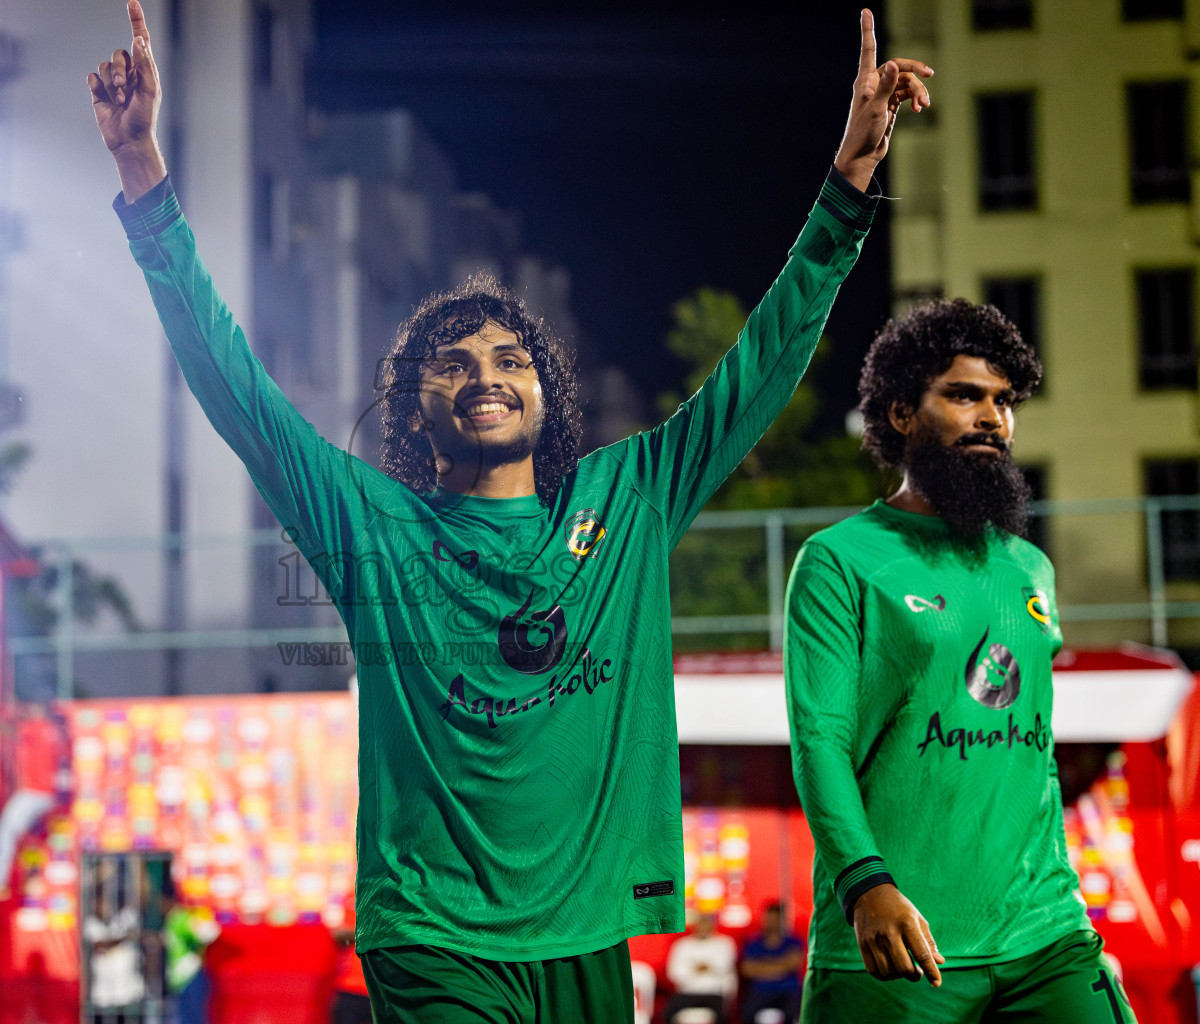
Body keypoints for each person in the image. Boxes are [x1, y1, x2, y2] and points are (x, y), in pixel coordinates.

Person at [87, 5, 929, 1020]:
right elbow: (237, 389)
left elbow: (758, 369)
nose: (483, 373)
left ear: (548, 397)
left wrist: (845, 190)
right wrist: (144, 176)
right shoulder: (370, 525)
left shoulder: (630, 498)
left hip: (583, 934)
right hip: (432, 933)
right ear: (417, 409)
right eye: (452, 362)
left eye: (508, 358)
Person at [784, 299, 1138, 1022]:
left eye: (1002, 401)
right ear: (901, 414)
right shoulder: (840, 561)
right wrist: (863, 884)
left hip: (1045, 933)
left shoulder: (1029, 568)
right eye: (963, 395)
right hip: (900, 937)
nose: (992, 418)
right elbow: (820, 742)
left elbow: (1031, 751)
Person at [0, 701, 69, 900]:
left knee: (5, 830)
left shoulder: (37, 727)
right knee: (18, 836)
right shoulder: (54, 731)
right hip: (47, 795)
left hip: (34, 792)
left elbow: (10, 731)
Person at [664, 912, 738, 1024]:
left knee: (722, 1016)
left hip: (714, 993)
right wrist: (708, 966)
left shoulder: (724, 943)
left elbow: (724, 966)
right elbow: (674, 972)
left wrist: (693, 966)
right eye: (700, 923)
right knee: (667, 1013)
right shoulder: (682, 945)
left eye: (707, 923)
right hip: (686, 993)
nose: (703, 927)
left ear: (713, 925)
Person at [159, 888, 218, 1024]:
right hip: (181, 978)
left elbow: (210, 933)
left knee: (193, 1018)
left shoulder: (181, 918)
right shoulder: (174, 919)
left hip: (191, 975)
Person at [84, 887, 144, 1020]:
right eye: (97, 903)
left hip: (128, 992)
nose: (101, 906)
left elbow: (141, 898)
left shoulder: (125, 917)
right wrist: (124, 937)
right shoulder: (91, 923)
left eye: (104, 902)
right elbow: (100, 943)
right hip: (104, 995)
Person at [738, 904, 803, 1024]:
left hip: (788, 991)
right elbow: (747, 970)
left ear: (782, 920)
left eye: (774, 919)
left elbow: (794, 964)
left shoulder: (793, 941)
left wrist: (762, 967)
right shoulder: (753, 943)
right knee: (747, 1014)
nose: (770, 922)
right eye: (768, 918)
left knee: (792, 1014)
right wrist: (781, 965)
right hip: (760, 992)